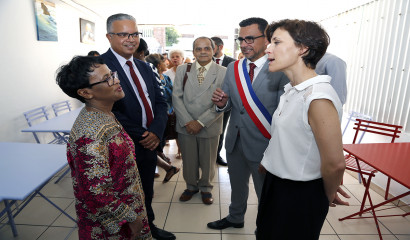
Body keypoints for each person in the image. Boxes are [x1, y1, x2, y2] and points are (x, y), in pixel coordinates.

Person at [256, 19, 348, 240]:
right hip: (276, 185)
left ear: (303, 48)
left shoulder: (317, 97)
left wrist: (324, 195)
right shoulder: (293, 90)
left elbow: (335, 164)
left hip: (299, 195)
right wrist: (269, 163)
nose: (268, 48)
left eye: (276, 42)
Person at [56, 56, 152, 239]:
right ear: (85, 93)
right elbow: (96, 192)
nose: (116, 80)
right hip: (115, 223)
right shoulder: (89, 136)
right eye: (107, 78)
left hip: (128, 205)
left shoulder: (105, 114)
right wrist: (131, 219)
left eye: (113, 74)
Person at [208, 17, 289, 230]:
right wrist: (222, 103)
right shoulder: (234, 67)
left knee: (265, 192)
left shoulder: (280, 68)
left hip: (265, 143)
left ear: (267, 39)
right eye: (241, 39)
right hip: (235, 140)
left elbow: (286, 113)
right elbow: (229, 104)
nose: (244, 44)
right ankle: (235, 218)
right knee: (237, 186)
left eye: (250, 38)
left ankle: (265, 227)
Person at [100, 13, 175, 240]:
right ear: (109, 36)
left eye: (134, 33)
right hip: (123, 144)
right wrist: (144, 134)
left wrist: (155, 133)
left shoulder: (144, 66)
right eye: (123, 34)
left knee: (146, 191)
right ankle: (126, 233)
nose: (130, 39)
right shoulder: (100, 67)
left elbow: (161, 102)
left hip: (149, 144)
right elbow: (108, 109)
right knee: (123, 194)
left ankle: (148, 228)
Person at [172, 37, 226, 205]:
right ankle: (191, 186)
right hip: (186, 124)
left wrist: (200, 122)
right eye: (198, 48)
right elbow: (176, 97)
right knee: (188, 159)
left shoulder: (224, 72)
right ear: (193, 51)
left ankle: (206, 188)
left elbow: (224, 101)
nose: (203, 51)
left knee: (208, 160)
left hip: (210, 123)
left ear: (213, 50)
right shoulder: (182, 70)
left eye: (207, 48)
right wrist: (189, 121)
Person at [145, 53, 180, 183]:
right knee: (153, 145)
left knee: (159, 142)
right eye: (164, 61)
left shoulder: (165, 78)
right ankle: (165, 165)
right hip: (154, 118)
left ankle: (165, 164)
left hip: (167, 116)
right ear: (158, 65)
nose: (167, 62)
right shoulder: (148, 78)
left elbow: (173, 95)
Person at [211, 36, 236, 166]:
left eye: (212, 46)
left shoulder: (232, 63)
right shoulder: (205, 62)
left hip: (225, 104)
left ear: (220, 47)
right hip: (207, 104)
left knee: (221, 130)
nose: (208, 49)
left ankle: (217, 155)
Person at [164, 49, 185, 159]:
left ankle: (183, 150)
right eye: (173, 57)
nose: (175, 58)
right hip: (173, 106)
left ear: (182, 58)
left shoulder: (188, 72)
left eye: (177, 56)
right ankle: (179, 151)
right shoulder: (167, 74)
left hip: (186, 104)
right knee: (176, 127)